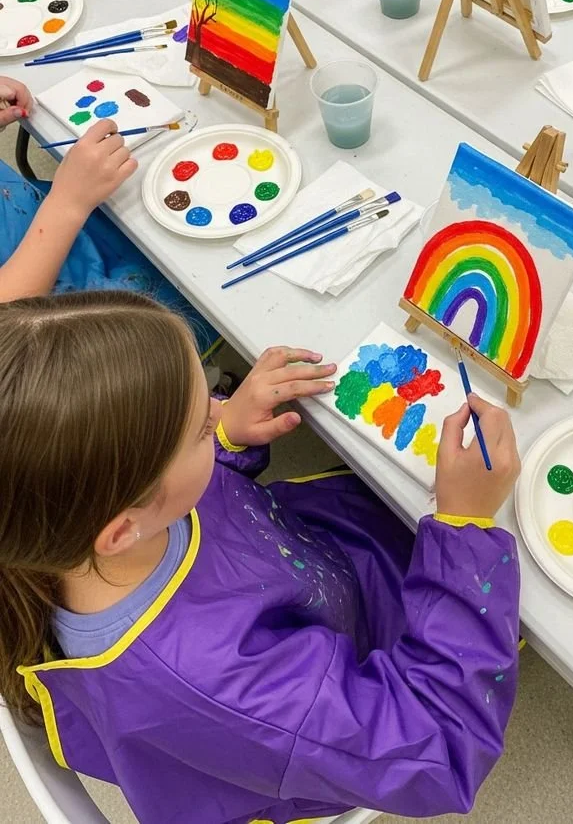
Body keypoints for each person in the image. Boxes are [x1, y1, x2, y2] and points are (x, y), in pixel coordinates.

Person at [0, 291, 522, 824]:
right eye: (201, 426)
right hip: (352, 708)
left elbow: (179, 498)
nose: (220, 409)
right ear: (121, 528)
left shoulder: (67, 532)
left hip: (315, 567)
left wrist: (224, 438)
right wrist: (466, 531)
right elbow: (439, 751)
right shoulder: (218, 687)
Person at [0, 77, 218, 352]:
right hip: (65, 323)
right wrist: (68, 202)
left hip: (47, 219)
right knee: (204, 279)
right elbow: (8, 326)